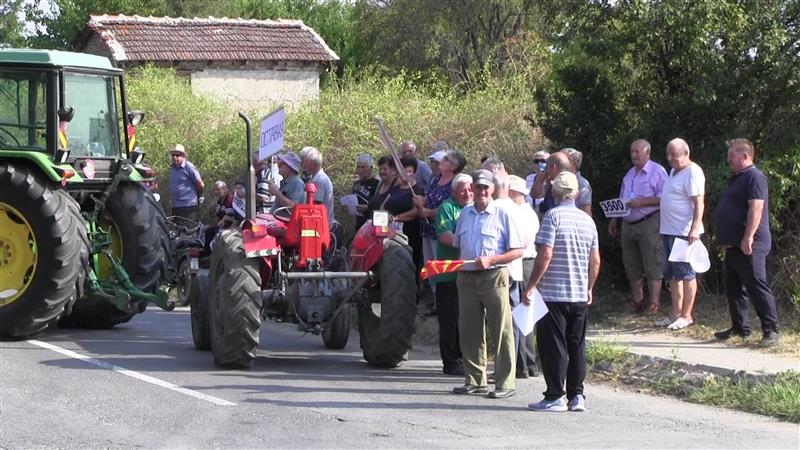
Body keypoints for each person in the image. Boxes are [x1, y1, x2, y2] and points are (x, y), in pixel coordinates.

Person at [525, 171, 600, 413]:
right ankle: (577, 395)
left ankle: (555, 395)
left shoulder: (552, 216)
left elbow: (545, 255)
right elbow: (595, 260)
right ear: (577, 193)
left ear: (554, 192)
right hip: (578, 292)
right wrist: (589, 286)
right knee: (576, 345)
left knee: (553, 345)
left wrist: (532, 284)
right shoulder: (588, 220)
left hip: (554, 292)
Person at [451, 169, 523, 400]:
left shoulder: (502, 213)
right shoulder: (465, 213)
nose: (481, 191)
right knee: (469, 330)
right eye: (477, 187)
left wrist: (492, 259)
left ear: (492, 189)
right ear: (471, 188)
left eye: (485, 187)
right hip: (466, 277)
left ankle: (505, 382)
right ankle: (474, 380)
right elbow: (457, 245)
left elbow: (517, 250)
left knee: (501, 330)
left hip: (494, 276)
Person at [714, 139, 780, 347]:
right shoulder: (737, 178)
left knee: (756, 285)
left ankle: (771, 330)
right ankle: (740, 328)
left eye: (731, 155)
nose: (728, 159)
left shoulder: (755, 177)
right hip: (734, 244)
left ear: (744, 156)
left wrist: (748, 236)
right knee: (734, 287)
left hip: (751, 243)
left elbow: (756, 208)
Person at [608, 139, 668, 314]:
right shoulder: (630, 174)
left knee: (652, 262)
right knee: (631, 264)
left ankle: (654, 303)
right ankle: (637, 301)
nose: (634, 155)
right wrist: (614, 219)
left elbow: (665, 197)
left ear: (647, 153)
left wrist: (642, 203)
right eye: (632, 151)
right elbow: (621, 199)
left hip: (649, 222)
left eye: (638, 151)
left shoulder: (658, 171)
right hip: (628, 224)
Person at [656, 138, 705, 330]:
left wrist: (694, 228)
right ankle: (675, 313)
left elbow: (699, 203)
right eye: (668, 155)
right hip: (668, 230)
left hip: (684, 232)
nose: (670, 159)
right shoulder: (673, 171)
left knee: (685, 273)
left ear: (686, 153)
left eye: (674, 155)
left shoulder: (693, 172)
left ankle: (686, 315)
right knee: (672, 275)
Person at [433, 173, 473, 376]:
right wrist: (470, 246)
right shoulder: (447, 208)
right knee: (450, 319)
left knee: (467, 319)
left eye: (470, 189)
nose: (468, 193)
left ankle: (467, 358)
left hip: (470, 274)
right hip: (448, 273)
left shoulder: (475, 208)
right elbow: (445, 236)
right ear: (453, 192)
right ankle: (450, 361)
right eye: (463, 190)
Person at [417, 151, 467, 298]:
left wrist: (429, 212)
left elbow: (449, 206)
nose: (442, 161)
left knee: (441, 266)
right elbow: (428, 198)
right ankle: (435, 298)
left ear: (453, 166)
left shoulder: (455, 184)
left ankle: (442, 298)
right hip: (427, 229)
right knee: (430, 265)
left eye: (446, 159)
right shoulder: (435, 179)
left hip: (441, 231)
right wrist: (421, 202)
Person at [508, 175, 540, 378]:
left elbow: (521, 242)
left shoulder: (519, 214)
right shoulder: (529, 213)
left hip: (522, 262)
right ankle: (529, 362)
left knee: (519, 314)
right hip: (528, 263)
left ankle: (522, 365)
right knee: (527, 315)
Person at [534, 149, 591, 217]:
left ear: (573, 163)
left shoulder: (582, 183)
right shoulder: (554, 179)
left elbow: (586, 212)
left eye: (563, 159)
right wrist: (541, 176)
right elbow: (535, 195)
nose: (561, 162)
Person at [299, 146, 336, 227]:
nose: (301, 163)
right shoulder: (315, 178)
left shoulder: (320, 180)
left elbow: (315, 208)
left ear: (310, 161)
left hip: (319, 227)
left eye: (302, 160)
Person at [169, 143, 204, 220]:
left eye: (177, 155)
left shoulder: (189, 167)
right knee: (178, 229)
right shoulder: (173, 168)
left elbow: (200, 184)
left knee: (189, 229)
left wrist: (197, 197)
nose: (175, 157)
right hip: (176, 206)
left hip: (189, 206)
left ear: (183, 156)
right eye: (173, 155)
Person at [351, 154, 380, 231]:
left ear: (371, 168)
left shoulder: (377, 184)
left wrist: (367, 207)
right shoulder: (356, 184)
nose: (360, 170)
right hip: (359, 223)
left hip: (371, 224)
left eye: (363, 167)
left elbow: (381, 204)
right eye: (358, 167)